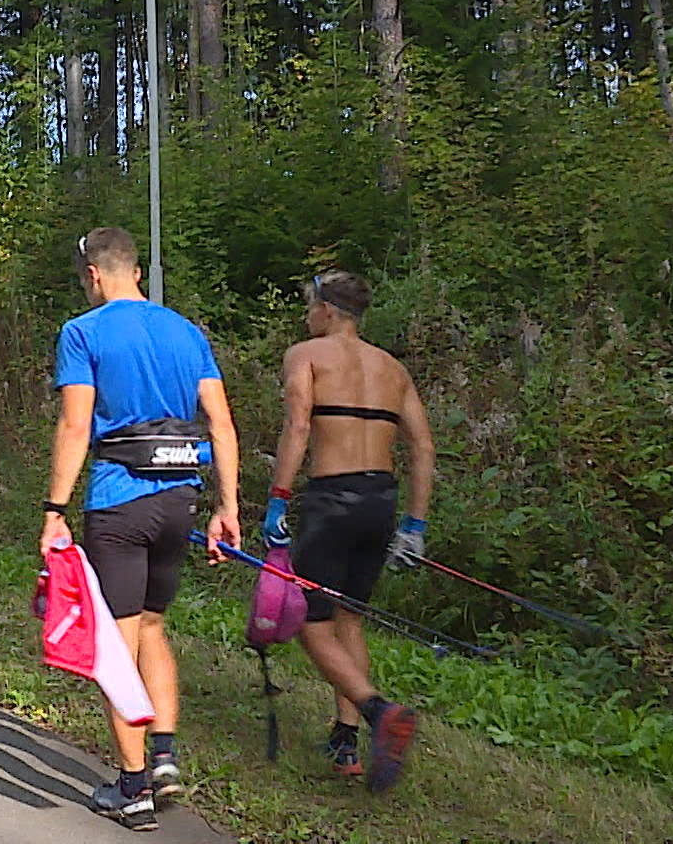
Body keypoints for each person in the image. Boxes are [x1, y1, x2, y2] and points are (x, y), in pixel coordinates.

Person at [43, 227, 241, 831]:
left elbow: (77, 427)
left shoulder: (84, 332)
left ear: (95, 275)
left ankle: (132, 790)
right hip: (180, 501)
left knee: (115, 642)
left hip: (120, 504)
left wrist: (54, 510)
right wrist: (227, 507)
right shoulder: (186, 331)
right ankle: (162, 757)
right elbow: (221, 424)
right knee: (153, 626)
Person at [268, 271, 433, 794]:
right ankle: (345, 741)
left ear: (328, 311)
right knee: (350, 619)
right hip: (380, 502)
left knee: (309, 622)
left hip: (331, 500)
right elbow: (424, 449)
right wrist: (415, 524)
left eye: (310, 306)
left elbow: (297, 428)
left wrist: (278, 498)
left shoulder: (306, 355)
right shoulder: (393, 368)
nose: (306, 315)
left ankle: (378, 712)